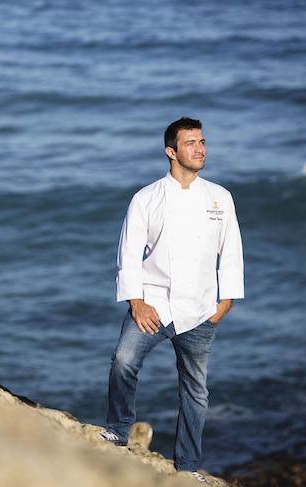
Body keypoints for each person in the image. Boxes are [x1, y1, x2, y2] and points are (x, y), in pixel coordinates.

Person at [99, 117, 244, 480]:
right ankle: (118, 430)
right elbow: (128, 253)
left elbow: (231, 251)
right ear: (171, 151)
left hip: (201, 309)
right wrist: (136, 302)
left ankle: (188, 466)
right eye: (191, 143)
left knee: (196, 390)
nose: (201, 149)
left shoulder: (219, 197)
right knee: (123, 360)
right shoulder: (146, 198)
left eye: (203, 141)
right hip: (154, 305)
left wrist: (226, 300)